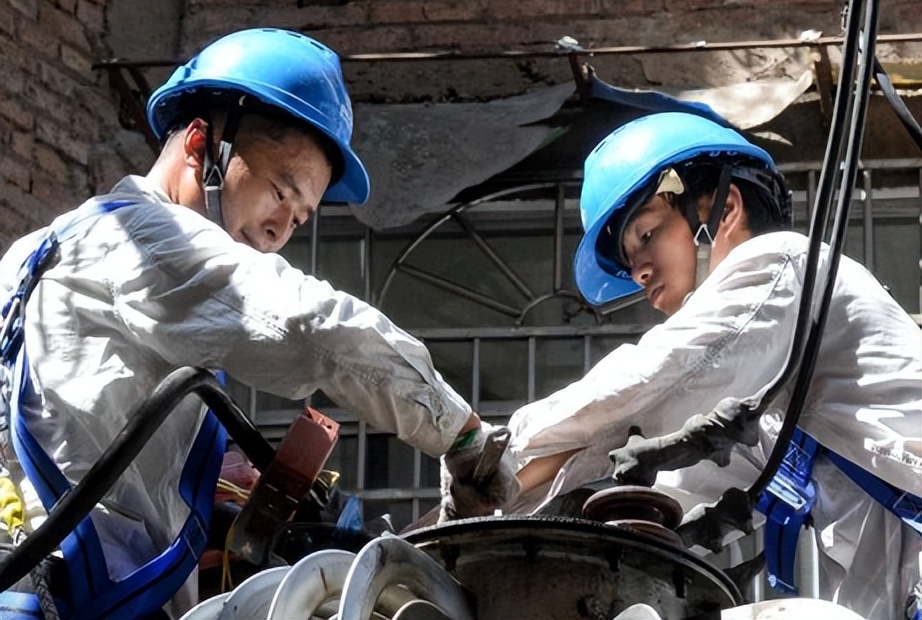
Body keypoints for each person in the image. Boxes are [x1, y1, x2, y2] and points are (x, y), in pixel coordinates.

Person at [0, 28, 517, 619]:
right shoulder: (143, 240)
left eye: (298, 218)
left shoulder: (33, 252)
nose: (278, 230)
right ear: (201, 144)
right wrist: (463, 435)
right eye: (278, 191)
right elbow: (315, 328)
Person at [506, 112, 921, 620]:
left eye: (647, 234)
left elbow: (656, 379)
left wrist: (492, 458)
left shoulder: (782, 262)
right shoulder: (770, 405)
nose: (639, 272)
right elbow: (661, 486)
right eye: (630, 260)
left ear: (724, 208)